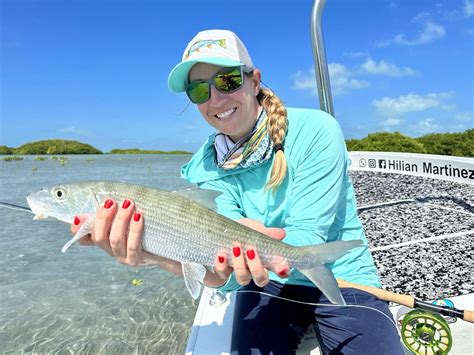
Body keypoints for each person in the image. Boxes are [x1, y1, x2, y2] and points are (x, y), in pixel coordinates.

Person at [71, 29, 404, 354]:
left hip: (341, 273)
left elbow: (310, 238)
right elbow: (224, 276)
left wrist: (253, 243)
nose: (215, 98)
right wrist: (152, 255)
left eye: (227, 81)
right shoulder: (204, 167)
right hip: (262, 280)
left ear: (254, 80)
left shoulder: (316, 130)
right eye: (199, 91)